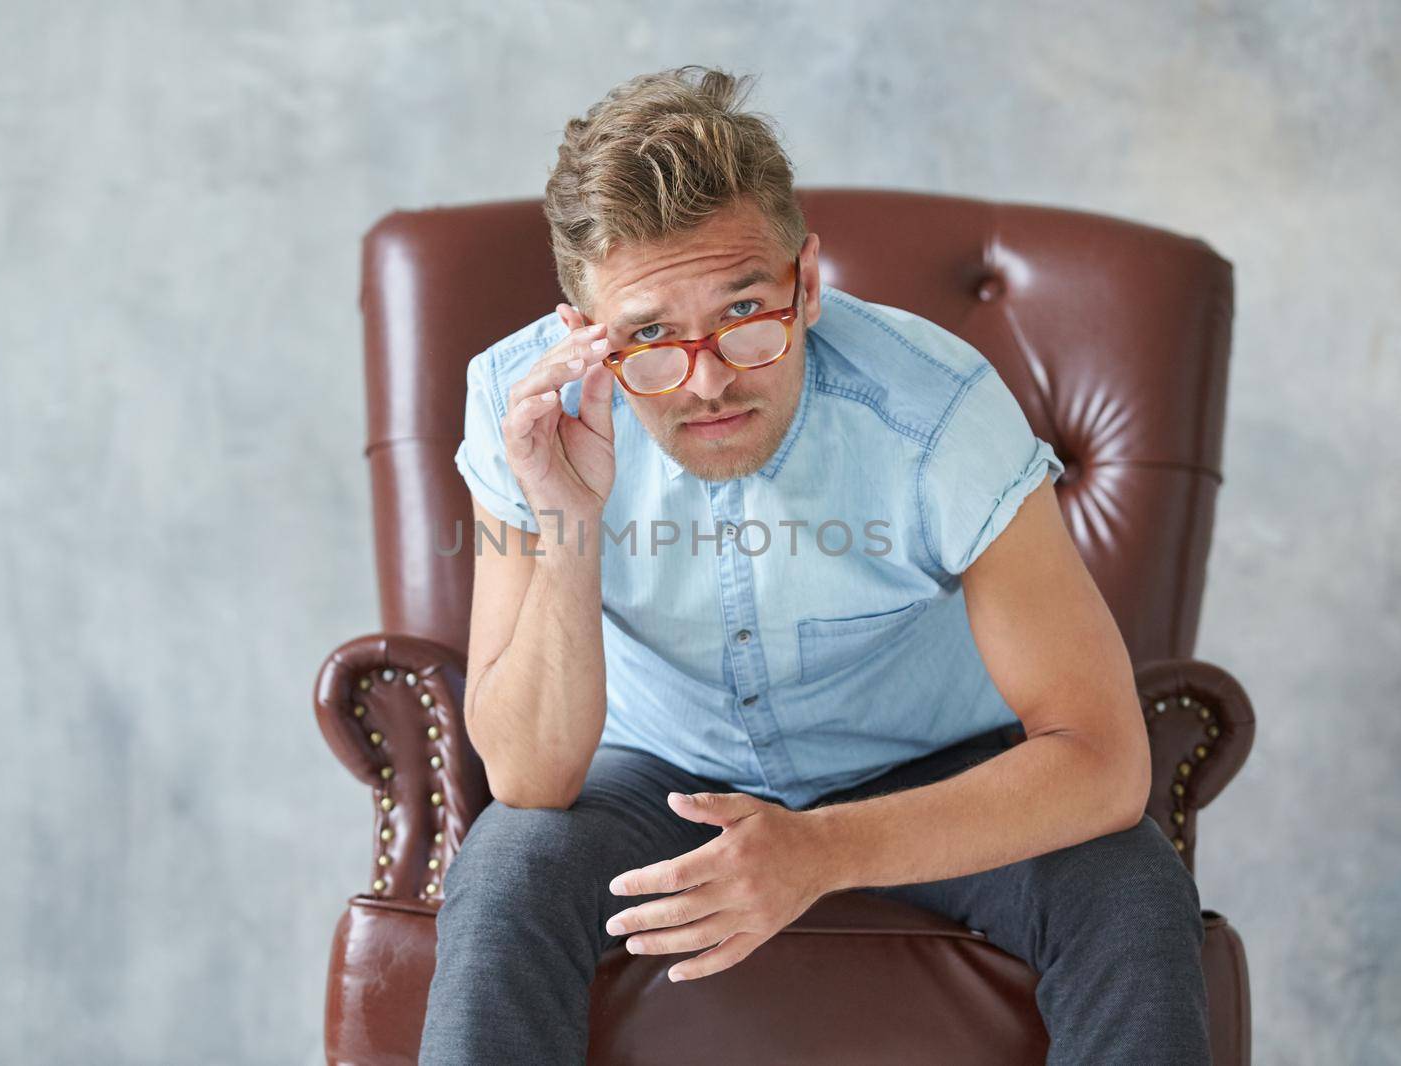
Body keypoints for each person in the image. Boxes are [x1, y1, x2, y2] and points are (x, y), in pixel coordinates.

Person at [418, 64, 1209, 1066]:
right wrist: (567, 518)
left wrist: (822, 851)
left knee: (1129, 882)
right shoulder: (519, 410)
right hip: (656, 773)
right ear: (583, 335)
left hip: (933, 764)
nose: (705, 382)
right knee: (511, 866)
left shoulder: (937, 412)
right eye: (648, 335)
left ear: (809, 282)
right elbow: (530, 774)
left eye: (745, 309)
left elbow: (1102, 760)